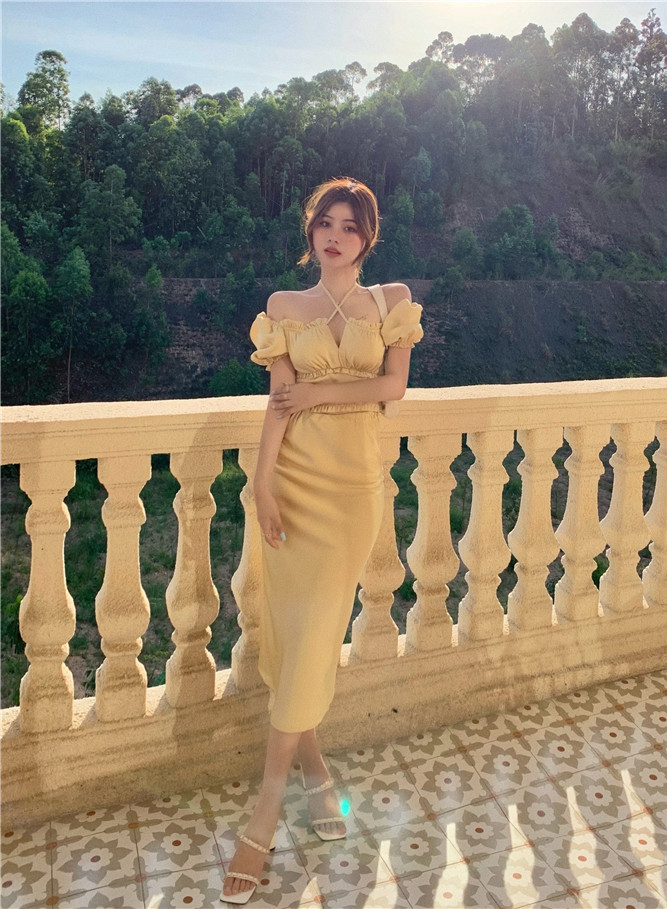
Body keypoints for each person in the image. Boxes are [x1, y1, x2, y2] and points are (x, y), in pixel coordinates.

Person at [221, 177, 423, 903]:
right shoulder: (283, 307)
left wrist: (317, 393)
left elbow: (392, 387)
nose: (335, 236)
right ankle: (310, 774)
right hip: (295, 480)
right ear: (311, 232)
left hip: (353, 489)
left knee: (315, 632)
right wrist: (262, 484)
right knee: (295, 630)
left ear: (368, 237)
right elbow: (278, 405)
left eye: (350, 225)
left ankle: (266, 813)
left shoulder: (390, 302)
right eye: (325, 223)